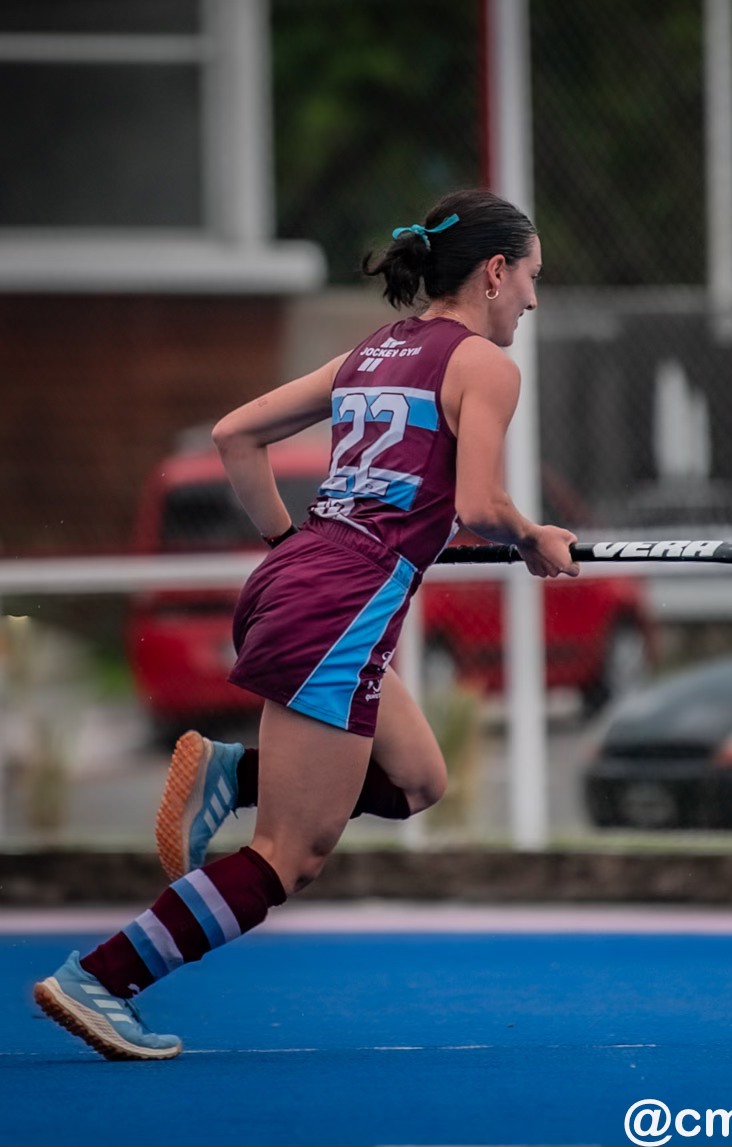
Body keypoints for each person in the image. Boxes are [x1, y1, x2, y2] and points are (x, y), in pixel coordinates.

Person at [33, 189, 579, 1060]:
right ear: (495, 271)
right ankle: (102, 977)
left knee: (416, 780)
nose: (533, 301)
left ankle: (232, 775)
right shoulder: (485, 366)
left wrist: (295, 547)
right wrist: (534, 536)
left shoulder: (372, 352)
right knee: (293, 853)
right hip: (342, 603)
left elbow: (232, 437)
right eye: (531, 280)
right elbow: (477, 502)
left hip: (299, 577)